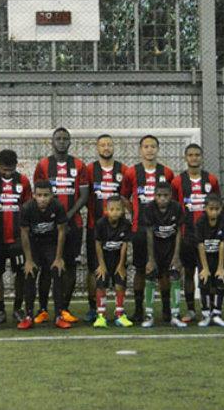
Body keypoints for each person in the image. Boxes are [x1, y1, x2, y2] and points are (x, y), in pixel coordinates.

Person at [33, 127, 89, 324]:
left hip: (73, 224)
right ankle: (42, 309)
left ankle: (64, 308)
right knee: (47, 267)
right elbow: (39, 194)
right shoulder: (43, 165)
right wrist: (55, 218)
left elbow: (84, 196)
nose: (62, 141)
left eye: (65, 138)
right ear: (52, 141)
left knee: (70, 266)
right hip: (47, 227)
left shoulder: (79, 165)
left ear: (70, 142)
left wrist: (66, 216)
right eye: (58, 138)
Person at [121, 135, 175, 323]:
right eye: (146, 146)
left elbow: (171, 199)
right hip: (140, 229)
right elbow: (124, 197)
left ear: (157, 149)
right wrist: (134, 211)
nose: (149, 150)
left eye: (153, 146)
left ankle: (166, 309)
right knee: (141, 269)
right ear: (140, 150)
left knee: (164, 271)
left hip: (163, 230)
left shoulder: (167, 172)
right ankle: (138, 310)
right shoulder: (131, 172)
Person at [171, 144, 220, 323]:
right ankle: (191, 309)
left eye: (197, 155)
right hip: (187, 234)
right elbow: (174, 209)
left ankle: (212, 309)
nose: (194, 158)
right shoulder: (177, 181)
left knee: (210, 272)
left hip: (208, 235)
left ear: (202, 157)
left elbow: (217, 205)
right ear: (185, 158)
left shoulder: (211, 180)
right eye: (190, 155)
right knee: (189, 272)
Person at [84, 134, 129, 323]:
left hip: (118, 229)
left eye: (109, 144)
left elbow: (126, 198)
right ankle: (94, 307)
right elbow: (86, 196)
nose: (106, 147)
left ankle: (119, 310)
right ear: (97, 148)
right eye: (102, 145)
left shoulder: (123, 170)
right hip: (96, 226)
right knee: (94, 268)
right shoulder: (89, 169)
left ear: (113, 147)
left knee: (119, 268)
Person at [0, 149, 31, 324]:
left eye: (11, 169)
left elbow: (27, 208)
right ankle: (0, 310)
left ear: (16, 166)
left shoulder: (23, 181)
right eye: (4, 169)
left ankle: (17, 309)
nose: (7, 173)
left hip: (17, 239)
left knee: (20, 274)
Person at [18, 180, 68, 329]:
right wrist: (28, 260)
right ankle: (28, 316)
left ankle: (59, 315)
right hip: (33, 244)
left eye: (46, 195)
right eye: (39, 195)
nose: (42, 198)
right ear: (34, 195)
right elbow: (24, 234)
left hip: (50, 244)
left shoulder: (57, 206)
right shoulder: (27, 208)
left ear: (52, 195)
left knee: (57, 271)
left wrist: (58, 258)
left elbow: (61, 231)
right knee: (30, 272)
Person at [141, 182, 185, 328]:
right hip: (156, 248)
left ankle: (175, 315)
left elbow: (179, 232)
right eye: (159, 196)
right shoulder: (149, 209)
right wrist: (151, 259)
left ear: (171, 196)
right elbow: (148, 234)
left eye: (165, 195)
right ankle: (148, 315)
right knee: (150, 274)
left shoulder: (177, 208)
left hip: (171, 248)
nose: (162, 199)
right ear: (154, 196)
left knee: (174, 275)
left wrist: (177, 256)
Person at [92, 196, 133, 328]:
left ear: (122, 211)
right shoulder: (100, 224)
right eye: (112, 209)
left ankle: (119, 314)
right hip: (103, 259)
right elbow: (98, 245)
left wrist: (121, 265)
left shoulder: (126, 224)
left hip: (118, 260)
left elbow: (124, 245)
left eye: (118, 209)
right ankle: (101, 316)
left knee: (120, 284)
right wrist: (101, 265)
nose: (115, 212)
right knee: (101, 285)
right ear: (106, 210)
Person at [194, 194, 224, 327]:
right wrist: (205, 268)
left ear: (220, 209)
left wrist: (221, 268)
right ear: (205, 208)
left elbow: (222, 244)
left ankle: (217, 313)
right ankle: (205, 315)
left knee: (220, 281)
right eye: (211, 209)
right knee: (205, 281)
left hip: (218, 258)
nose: (214, 212)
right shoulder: (200, 222)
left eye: (217, 209)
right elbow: (200, 245)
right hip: (205, 258)